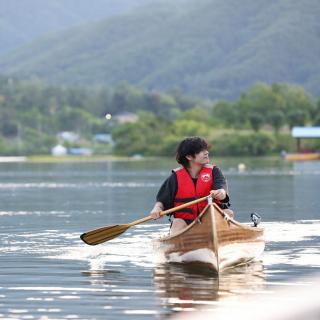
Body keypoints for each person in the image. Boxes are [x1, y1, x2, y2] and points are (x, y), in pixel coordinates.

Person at [150, 136, 232, 235]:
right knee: (177, 222)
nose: (206, 152)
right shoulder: (175, 177)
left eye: (206, 149)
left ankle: (222, 238)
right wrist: (157, 209)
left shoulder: (214, 171)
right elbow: (161, 201)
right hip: (186, 223)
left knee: (228, 213)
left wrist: (220, 193)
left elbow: (222, 191)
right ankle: (180, 244)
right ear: (189, 157)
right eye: (201, 151)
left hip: (211, 220)